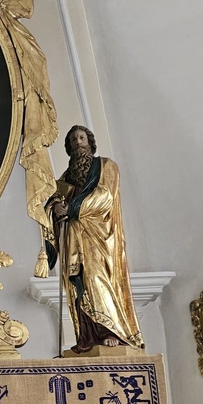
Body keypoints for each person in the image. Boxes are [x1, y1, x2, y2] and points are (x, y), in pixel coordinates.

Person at [46, 125, 144, 353]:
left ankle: (111, 331)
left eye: (81, 137)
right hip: (73, 237)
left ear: (90, 142)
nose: (78, 142)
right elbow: (55, 201)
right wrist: (56, 209)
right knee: (77, 282)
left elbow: (105, 195)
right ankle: (87, 335)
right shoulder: (66, 177)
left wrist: (72, 208)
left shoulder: (106, 166)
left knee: (97, 277)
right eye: (73, 140)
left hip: (98, 235)